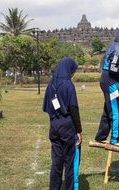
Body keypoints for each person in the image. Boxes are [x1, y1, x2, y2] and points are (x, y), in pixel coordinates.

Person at [43, 57, 82, 190]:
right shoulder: (68, 84)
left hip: (54, 126)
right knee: (69, 163)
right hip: (67, 127)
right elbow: (73, 109)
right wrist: (79, 130)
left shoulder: (51, 84)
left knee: (56, 163)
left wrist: (54, 122)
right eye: (72, 71)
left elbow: (47, 107)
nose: (72, 74)